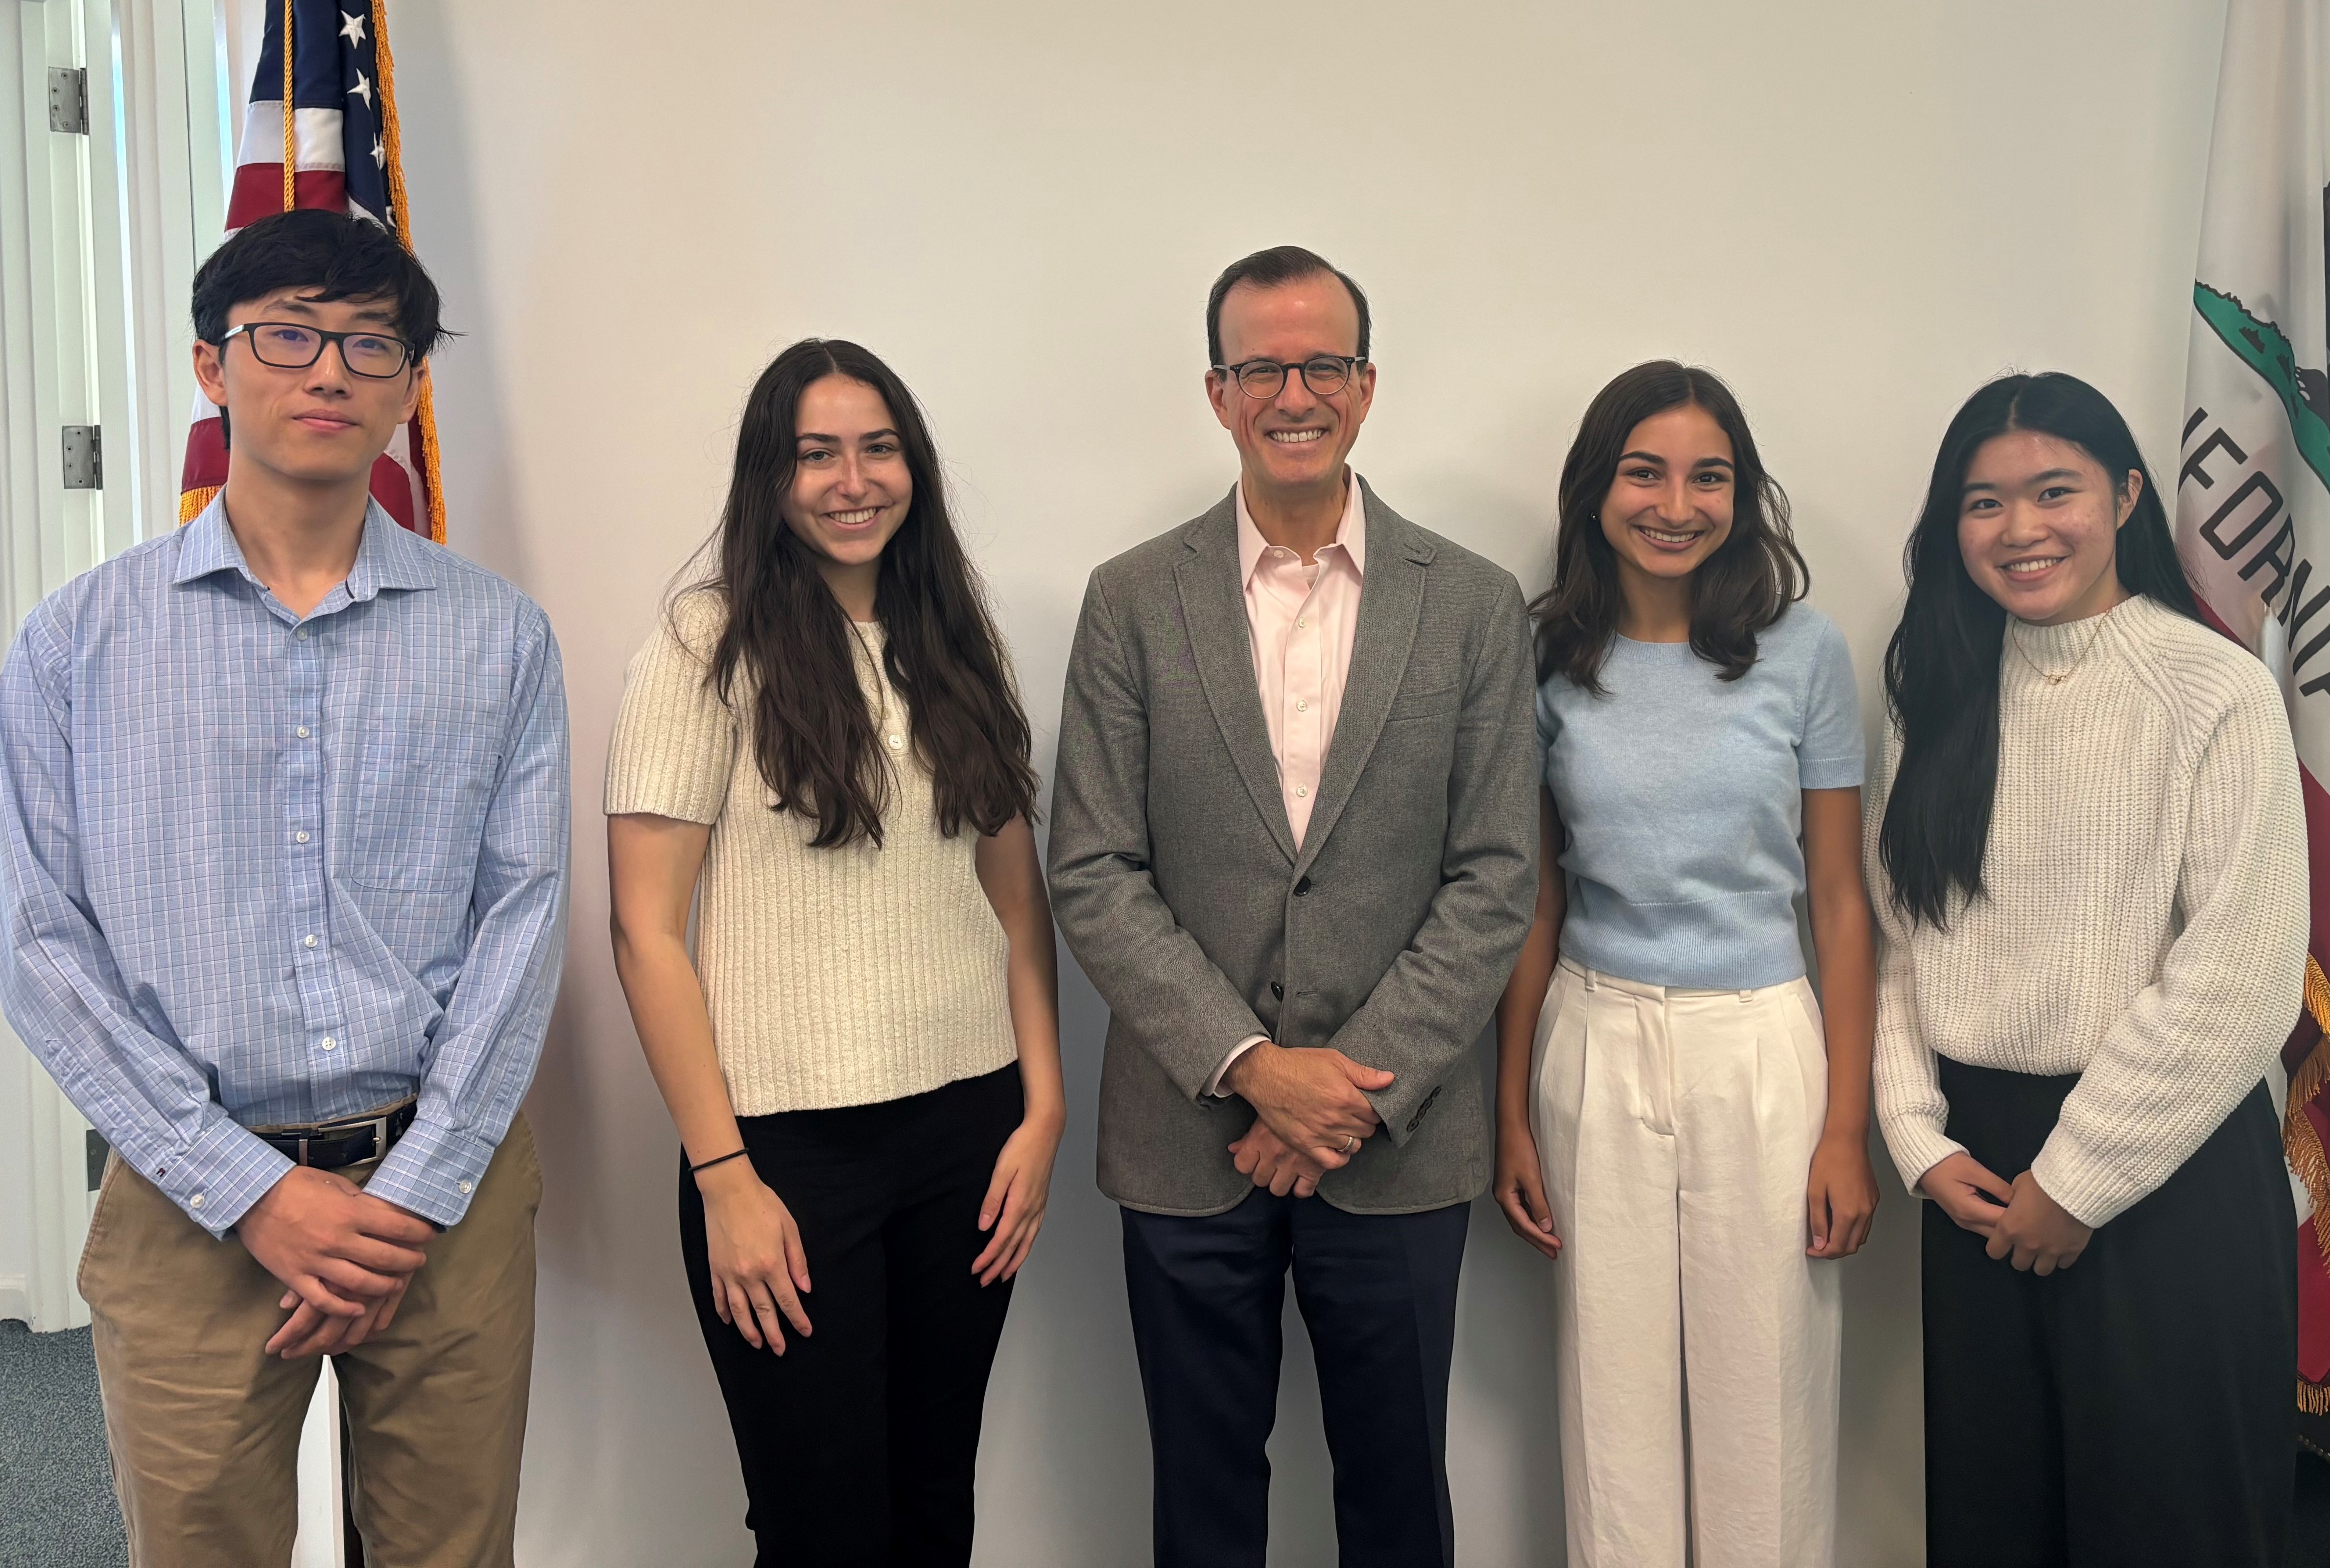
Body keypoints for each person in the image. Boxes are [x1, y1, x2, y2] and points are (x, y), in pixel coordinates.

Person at [0, 207, 569, 1565]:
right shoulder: (81, 640)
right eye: (288, 335)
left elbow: (525, 918)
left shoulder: (496, 634)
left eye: (370, 343)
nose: (329, 371)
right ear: (213, 367)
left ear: (409, 386)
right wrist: (250, 1189)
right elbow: (34, 939)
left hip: (445, 1196)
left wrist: (412, 1192)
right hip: (190, 1204)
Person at [1047, 245, 1540, 1568]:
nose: (1292, 390)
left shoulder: (1475, 607)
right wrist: (1256, 1071)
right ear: (1216, 394)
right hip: (1184, 1138)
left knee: (1396, 1496)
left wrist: (1346, 1093)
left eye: (1321, 361)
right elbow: (1090, 867)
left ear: (1366, 386)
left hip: (1395, 1144)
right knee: (1202, 1502)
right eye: (1259, 365)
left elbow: (1496, 874)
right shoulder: (1130, 602)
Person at [606, 337, 1064, 1568]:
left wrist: (1044, 1109)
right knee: (821, 1527)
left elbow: (1017, 903)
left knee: (932, 1505)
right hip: (785, 1156)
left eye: (878, 447)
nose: (853, 479)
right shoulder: (702, 647)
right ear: (772, 474)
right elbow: (644, 932)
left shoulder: (956, 638)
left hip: (971, 1132)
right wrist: (724, 1177)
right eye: (817, 453)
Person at [1868, 372, 2304, 1566]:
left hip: (2168, 1165)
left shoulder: (2216, 688)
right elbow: (1904, 931)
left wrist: (2079, 1176)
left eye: (2053, 491)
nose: (2020, 530)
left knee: (2175, 1521)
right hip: (1978, 1171)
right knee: (1997, 1516)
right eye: (1983, 502)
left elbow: (2241, 976)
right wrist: (1919, 1138)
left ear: (2122, 493)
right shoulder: (1935, 691)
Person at [1491, 361, 1877, 1567]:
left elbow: (1840, 901)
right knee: (1613, 1412)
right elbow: (1535, 898)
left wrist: (1845, 1132)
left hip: (1762, 1039)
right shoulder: (1546, 654)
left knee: (1767, 1398)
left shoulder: (1803, 653)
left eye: (1709, 475)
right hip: (1593, 1039)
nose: (1676, 502)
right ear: (1597, 489)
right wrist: (1509, 1111)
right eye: (1644, 471)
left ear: (1743, 493)